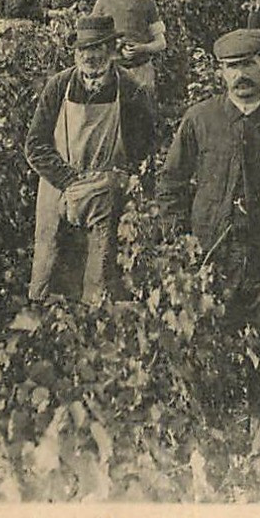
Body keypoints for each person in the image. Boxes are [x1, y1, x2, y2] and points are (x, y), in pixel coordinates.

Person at [159, 28, 260, 458]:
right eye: (232, 68)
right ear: (220, 73)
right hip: (213, 258)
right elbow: (171, 184)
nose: (241, 75)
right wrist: (183, 243)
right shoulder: (201, 119)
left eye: (249, 64)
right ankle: (213, 434)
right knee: (211, 347)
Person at [23, 16, 158, 306]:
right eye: (83, 49)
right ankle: (47, 321)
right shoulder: (59, 86)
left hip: (106, 187)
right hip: (58, 183)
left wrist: (121, 180)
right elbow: (35, 145)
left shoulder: (131, 90)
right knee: (50, 262)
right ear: (75, 53)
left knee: (99, 269)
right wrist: (70, 181)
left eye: (97, 48)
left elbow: (144, 147)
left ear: (111, 49)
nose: (90, 56)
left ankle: (92, 323)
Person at [92, 0, 168, 97]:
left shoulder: (147, 3)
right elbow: (92, 40)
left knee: (144, 112)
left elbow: (161, 43)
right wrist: (115, 45)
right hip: (112, 70)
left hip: (142, 71)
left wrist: (141, 48)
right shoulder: (103, 3)